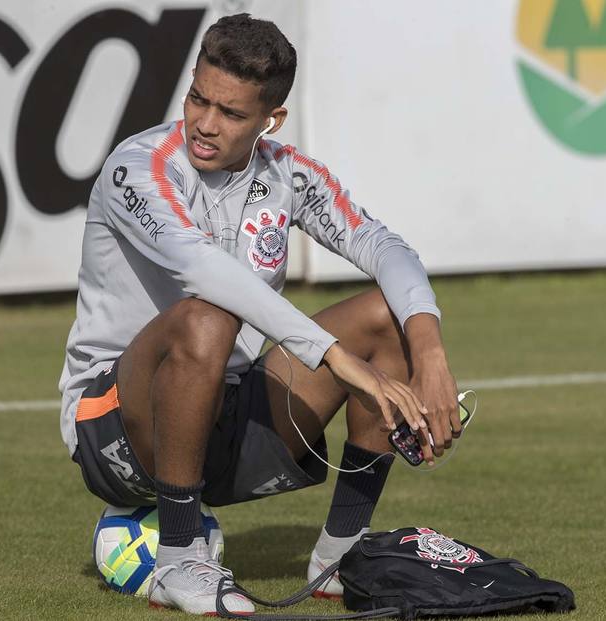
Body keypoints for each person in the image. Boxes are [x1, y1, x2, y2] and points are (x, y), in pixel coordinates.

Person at [58, 13, 461, 616]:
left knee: (387, 317)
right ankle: (178, 559)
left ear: (271, 120)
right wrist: (337, 360)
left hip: (226, 408)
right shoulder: (136, 170)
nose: (205, 123)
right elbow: (204, 273)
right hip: (115, 423)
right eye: (199, 98)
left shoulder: (287, 174)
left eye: (232, 113)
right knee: (208, 317)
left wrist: (430, 358)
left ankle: (339, 559)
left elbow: (387, 249)